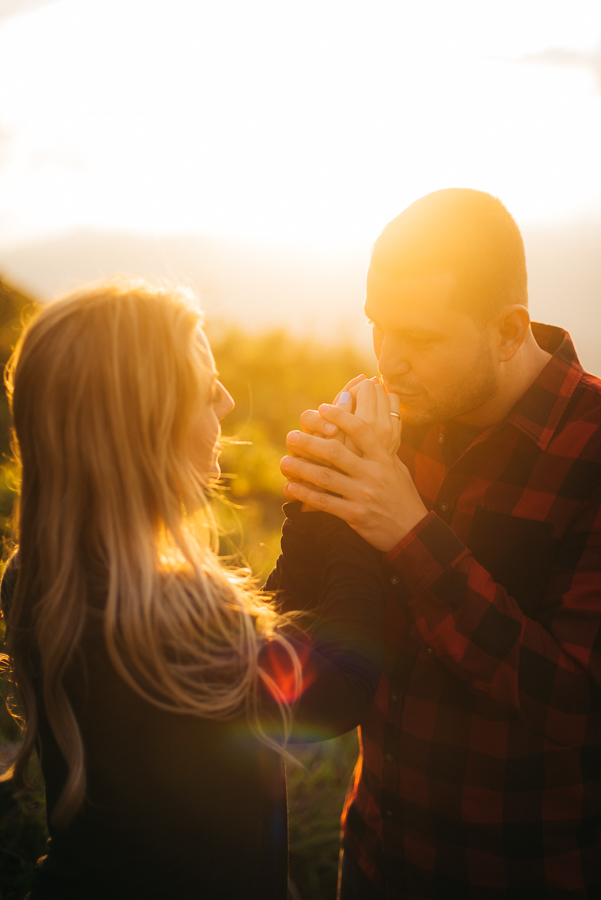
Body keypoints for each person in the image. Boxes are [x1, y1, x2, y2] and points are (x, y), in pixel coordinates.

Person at [0, 278, 396, 899]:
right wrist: (354, 512)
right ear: (146, 426)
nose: (228, 400)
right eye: (206, 389)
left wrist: (315, 515)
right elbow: (340, 687)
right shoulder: (176, 614)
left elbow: (265, 654)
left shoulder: (39, 575)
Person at [280, 189, 601, 899]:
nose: (389, 363)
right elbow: (305, 650)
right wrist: (315, 511)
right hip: (374, 857)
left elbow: (578, 707)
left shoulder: (590, 452)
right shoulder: (400, 423)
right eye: (377, 328)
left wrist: (408, 531)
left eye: (420, 340)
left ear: (509, 331)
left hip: (527, 874)